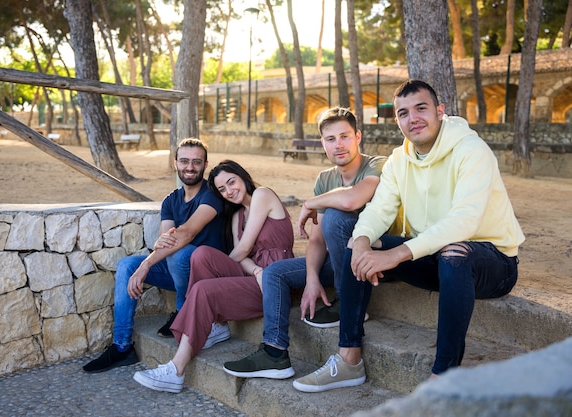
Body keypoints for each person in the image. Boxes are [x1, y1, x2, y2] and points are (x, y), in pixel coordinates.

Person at [292, 79, 525, 393]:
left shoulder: (473, 150)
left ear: (439, 112)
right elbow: (378, 211)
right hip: (431, 258)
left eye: (421, 108)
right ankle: (349, 359)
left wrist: (396, 254)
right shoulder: (399, 160)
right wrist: (361, 241)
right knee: (358, 245)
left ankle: (443, 379)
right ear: (397, 120)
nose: (412, 118)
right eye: (403, 113)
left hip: (490, 263)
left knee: (454, 251)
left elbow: (465, 220)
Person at [223, 107, 386, 379]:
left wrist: (311, 202)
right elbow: (318, 238)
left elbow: (351, 200)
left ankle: (347, 301)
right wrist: (311, 278)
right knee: (275, 272)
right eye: (330, 139)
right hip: (338, 262)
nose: (339, 145)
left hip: (376, 257)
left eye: (345, 136)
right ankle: (274, 352)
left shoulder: (377, 164)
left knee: (335, 216)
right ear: (322, 143)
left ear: (358, 136)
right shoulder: (325, 178)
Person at [131, 159, 295, 393]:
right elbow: (243, 257)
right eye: (222, 189)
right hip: (257, 276)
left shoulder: (263, 195)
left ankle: (177, 369)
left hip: (277, 281)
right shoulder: (238, 215)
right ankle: (213, 326)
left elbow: (244, 248)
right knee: (202, 254)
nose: (229, 191)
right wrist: (257, 270)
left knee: (202, 289)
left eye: (232, 182)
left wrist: (261, 271)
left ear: (243, 177)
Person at [83, 138, 226, 373]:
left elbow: (187, 233)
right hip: (178, 271)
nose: (190, 167)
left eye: (196, 162)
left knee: (181, 254)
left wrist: (147, 265)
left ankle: (183, 316)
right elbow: (165, 240)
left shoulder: (211, 195)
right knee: (128, 264)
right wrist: (147, 261)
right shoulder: (171, 200)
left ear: (205, 165)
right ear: (175, 163)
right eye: (184, 161)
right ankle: (121, 346)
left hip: (208, 274)